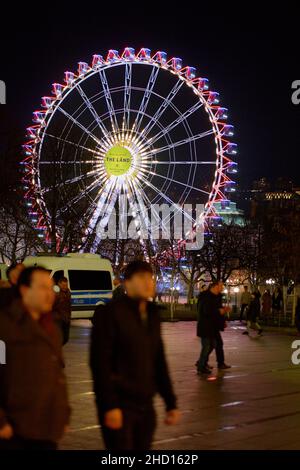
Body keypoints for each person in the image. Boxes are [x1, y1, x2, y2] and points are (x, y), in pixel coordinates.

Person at [90, 260, 180, 451]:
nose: (148, 282)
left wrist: (170, 402)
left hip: (145, 404)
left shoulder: (152, 315)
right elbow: (100, 363)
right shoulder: (110, 314)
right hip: (120, 404)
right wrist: (109, 405)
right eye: (141, 277)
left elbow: (158, 361)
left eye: (150, 278)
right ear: (126, 283)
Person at [0, 266, 70, 450]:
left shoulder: (52, 328)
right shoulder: (5, 327)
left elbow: (58, 376)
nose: (49, 294)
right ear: (24, 290)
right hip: (15, 430)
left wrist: (63, 414)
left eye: (51, 288)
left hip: (47, 430)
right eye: (42, 288)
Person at [196, 281, 231, 374]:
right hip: (206, 326)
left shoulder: (217, 297)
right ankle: (201, 366)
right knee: (207, 346)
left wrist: (222, 320)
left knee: (215, 344)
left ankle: (205, 363)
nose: (222, 288)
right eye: (221, 286)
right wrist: (220, 311)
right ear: (215, 287)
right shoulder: (205, 296)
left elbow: (218, 309)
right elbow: (206, 311)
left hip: (214, 326)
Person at [53, 276, 72, 345]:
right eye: (63, 285)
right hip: (58, 319)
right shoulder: (56, 294)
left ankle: (57, 348)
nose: (65, 287)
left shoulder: (68, 293)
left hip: (66, 319)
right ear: (59, 284)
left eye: (66, 285)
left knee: (66, 338)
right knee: (59, 338)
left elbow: (69, 307)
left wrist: (69, 317)